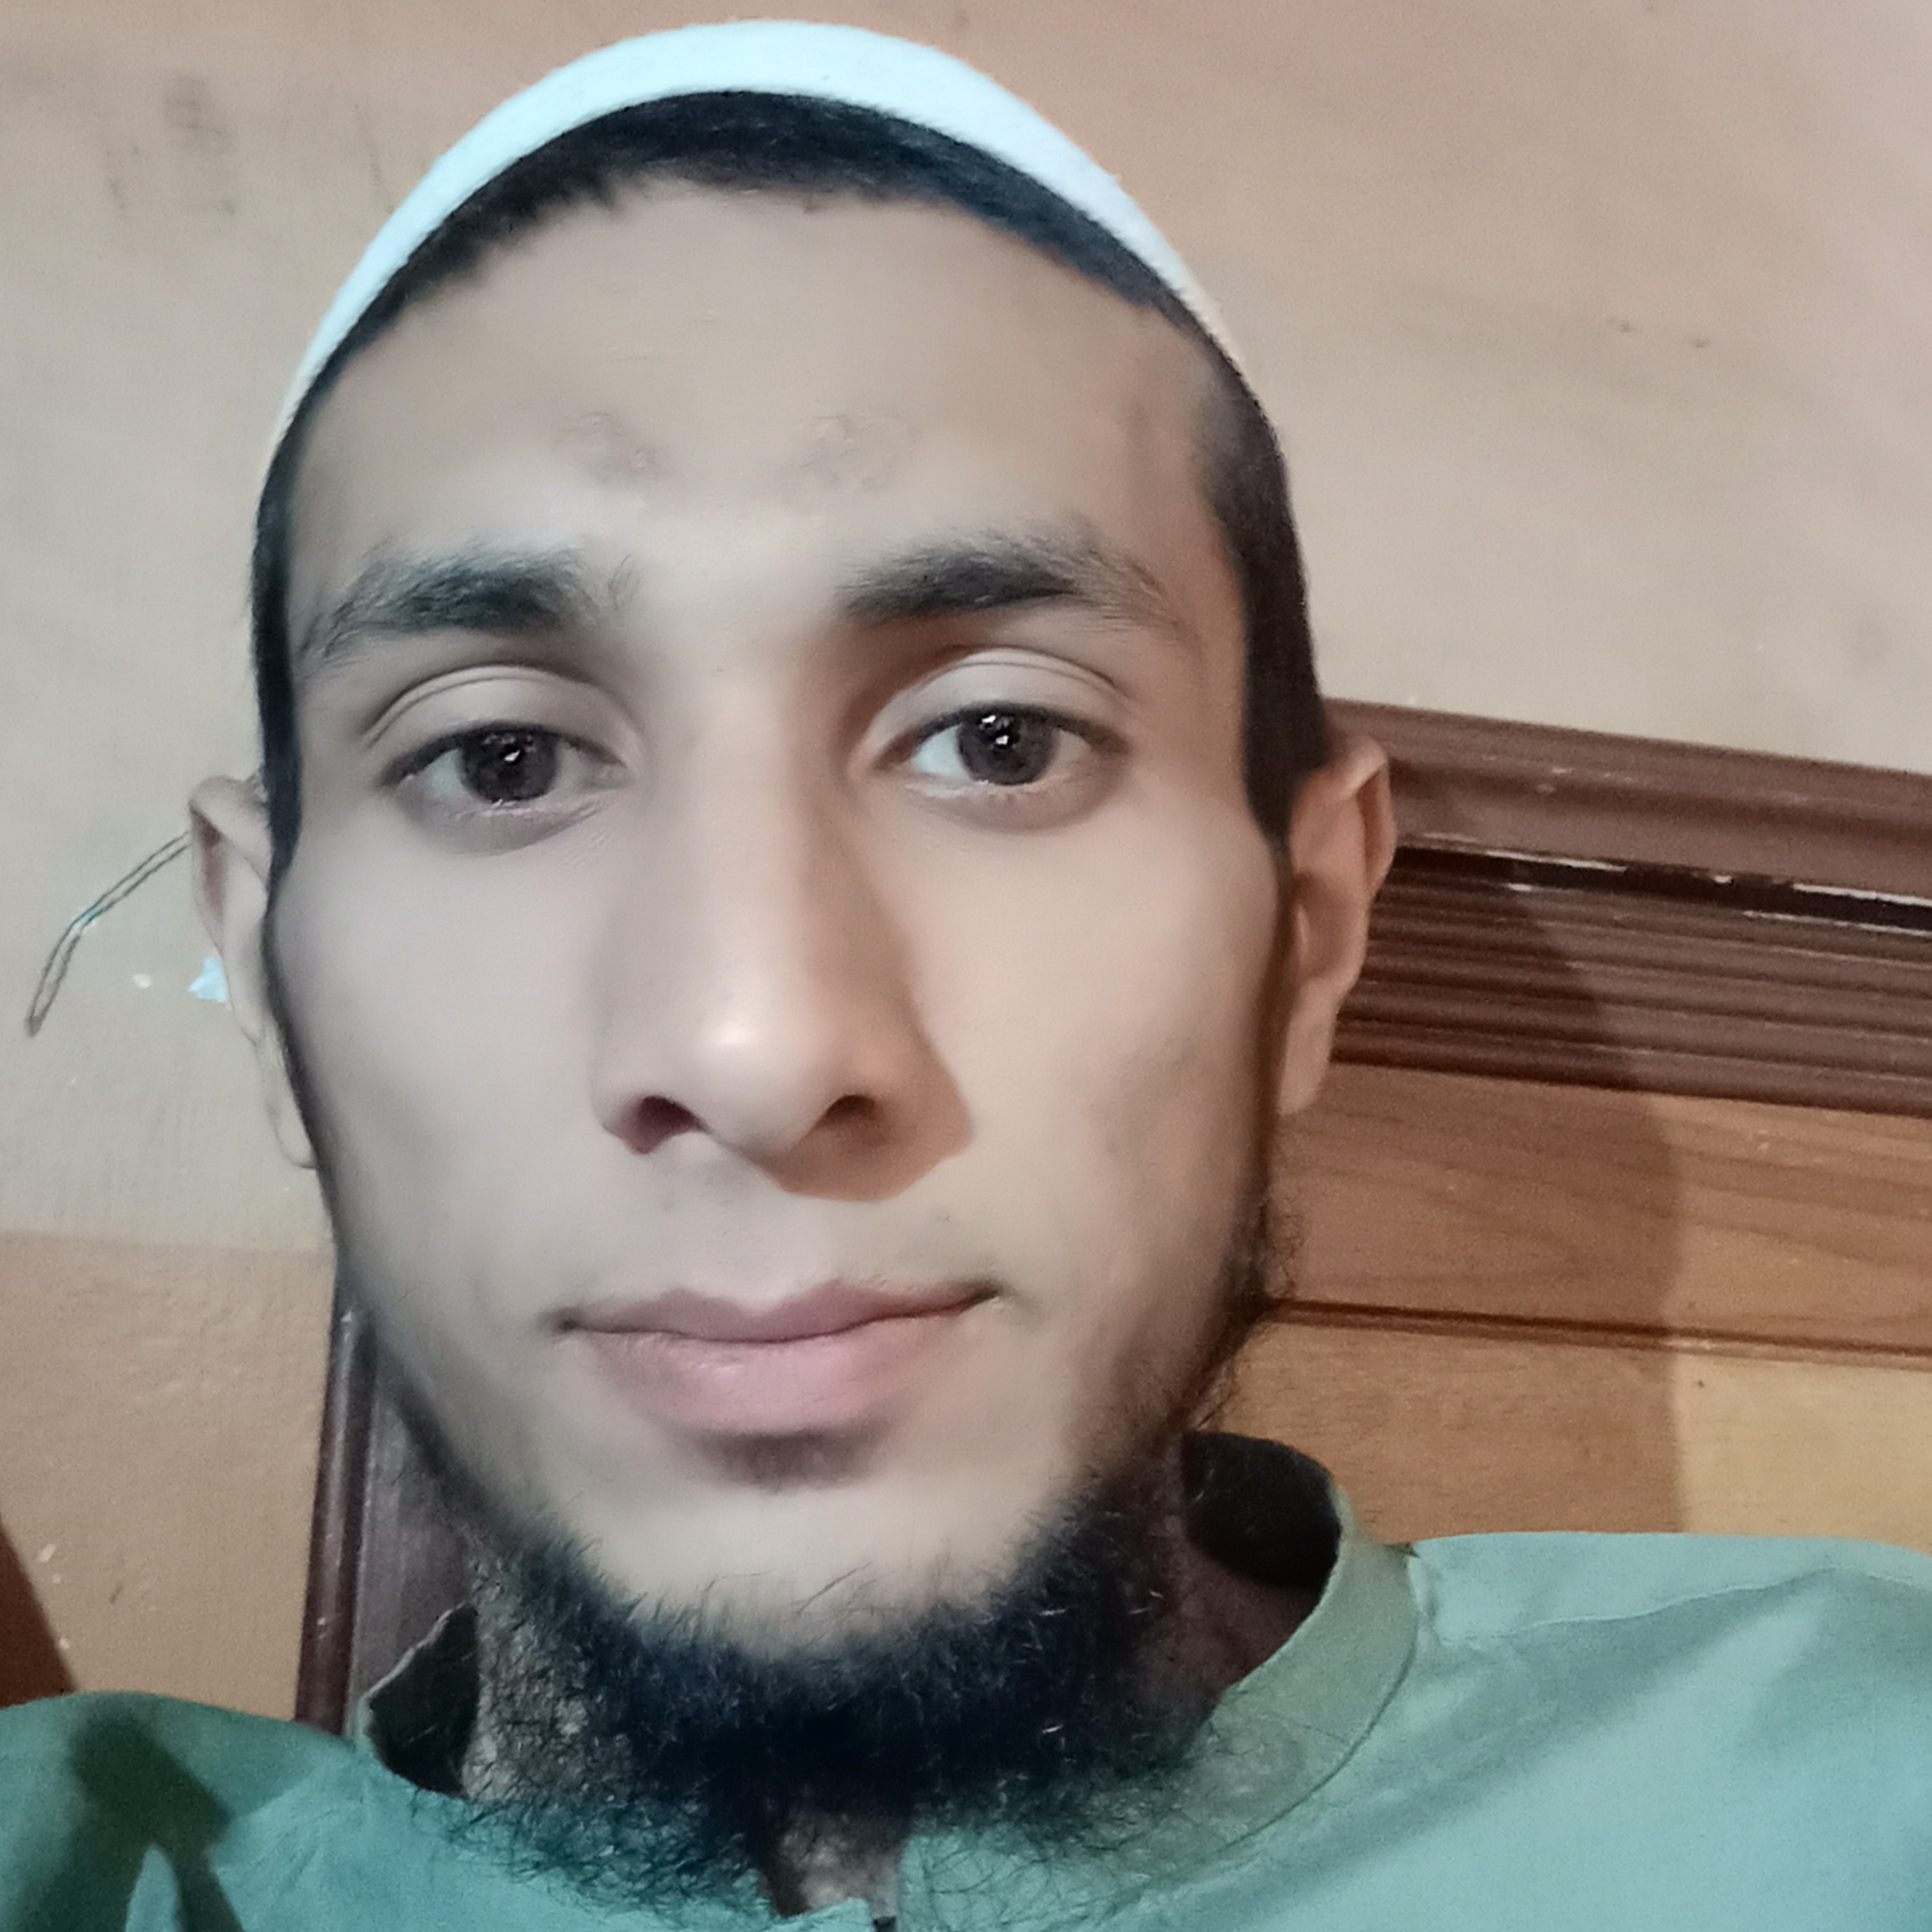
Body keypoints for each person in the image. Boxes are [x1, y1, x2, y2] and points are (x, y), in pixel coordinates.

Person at [3, 21, 1929, 1930]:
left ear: (1310, 932)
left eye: (1001, 741)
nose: (755, 1046)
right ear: (267, 977)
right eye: (500, 759)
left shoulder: (1861, 1788)